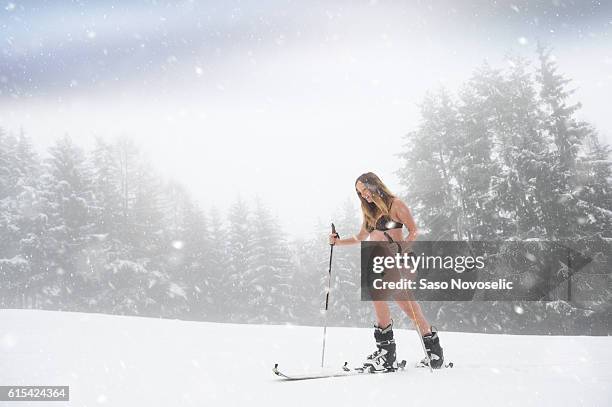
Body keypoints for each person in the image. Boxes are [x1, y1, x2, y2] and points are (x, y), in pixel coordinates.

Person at [328, 172, 444, 370]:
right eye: (359, 192)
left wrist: (401, 247)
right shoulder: (370, 212)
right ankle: (434, 353)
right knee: (409, 308)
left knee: (378, 296)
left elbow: (414, 230)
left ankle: (386, 355)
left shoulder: (395, 204)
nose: (363, 194)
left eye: (364, 189)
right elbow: (360, 237)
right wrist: (338, 242)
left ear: (374, 184)